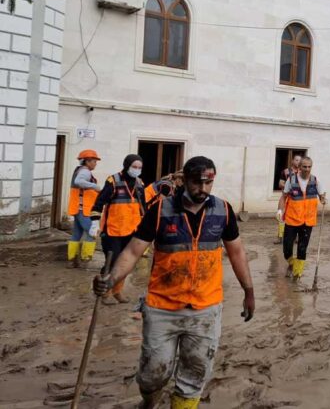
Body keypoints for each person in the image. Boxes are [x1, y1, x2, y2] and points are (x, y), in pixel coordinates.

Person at [93, 156, 255, 409]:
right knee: (151, 375)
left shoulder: (223, 210)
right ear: (184, 180)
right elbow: (134, 252)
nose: (203, 189)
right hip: (162, 308)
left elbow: (237, 252)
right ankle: (148, 401)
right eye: (196, 182)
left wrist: (249, 291)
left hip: (205, 309)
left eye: (208, 183)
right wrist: (111, 278)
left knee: (194, 376)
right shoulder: (161, 210)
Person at [89, 154, 147, 305]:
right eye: (134, 167)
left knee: (125, 264)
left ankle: (116, 291)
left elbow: (144, 208)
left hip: (132, 230)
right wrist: (94, 223)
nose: (137, 170)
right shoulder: (113, 181)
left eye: (140, 167)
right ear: (127, 165)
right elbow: (98, 203)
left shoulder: (140, 183)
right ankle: (105, 293)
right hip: (113, 231)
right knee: (112, 262)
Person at [276, 156, 326, 279]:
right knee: (287, 248)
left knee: (302, 249)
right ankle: (291, 263)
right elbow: (284, 197)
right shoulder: (291, 180)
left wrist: (324, 199)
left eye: (309, 167)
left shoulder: (315, 181)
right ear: (299, 167)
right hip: (292, 219)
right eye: (304, 166)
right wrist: (279, 210)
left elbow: (322, 195)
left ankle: (297, 274)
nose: (307, 169)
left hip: (308, 221)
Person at [67, 150, 102, 268]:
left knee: (76, 234)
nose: (95, 163)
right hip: (84, 209)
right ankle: (85, 260)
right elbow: (79, 182)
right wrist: (96, 187)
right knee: (92, 232)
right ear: (87, 161)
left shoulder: (80, 170)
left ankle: (72, 260)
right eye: (94, 161)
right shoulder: (85, 172)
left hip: (78, 208)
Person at [275, 154, 303, 245]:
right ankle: (280, 237)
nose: (298, 162)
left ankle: (296, 238)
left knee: (298, 217)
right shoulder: (286, 172)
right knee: (281, 217)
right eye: (296, 160)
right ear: (292, 161)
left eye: (300, 160)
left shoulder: (302, 172)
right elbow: (280, 184)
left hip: (297, 200)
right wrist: (290, 186)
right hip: (285, 198)